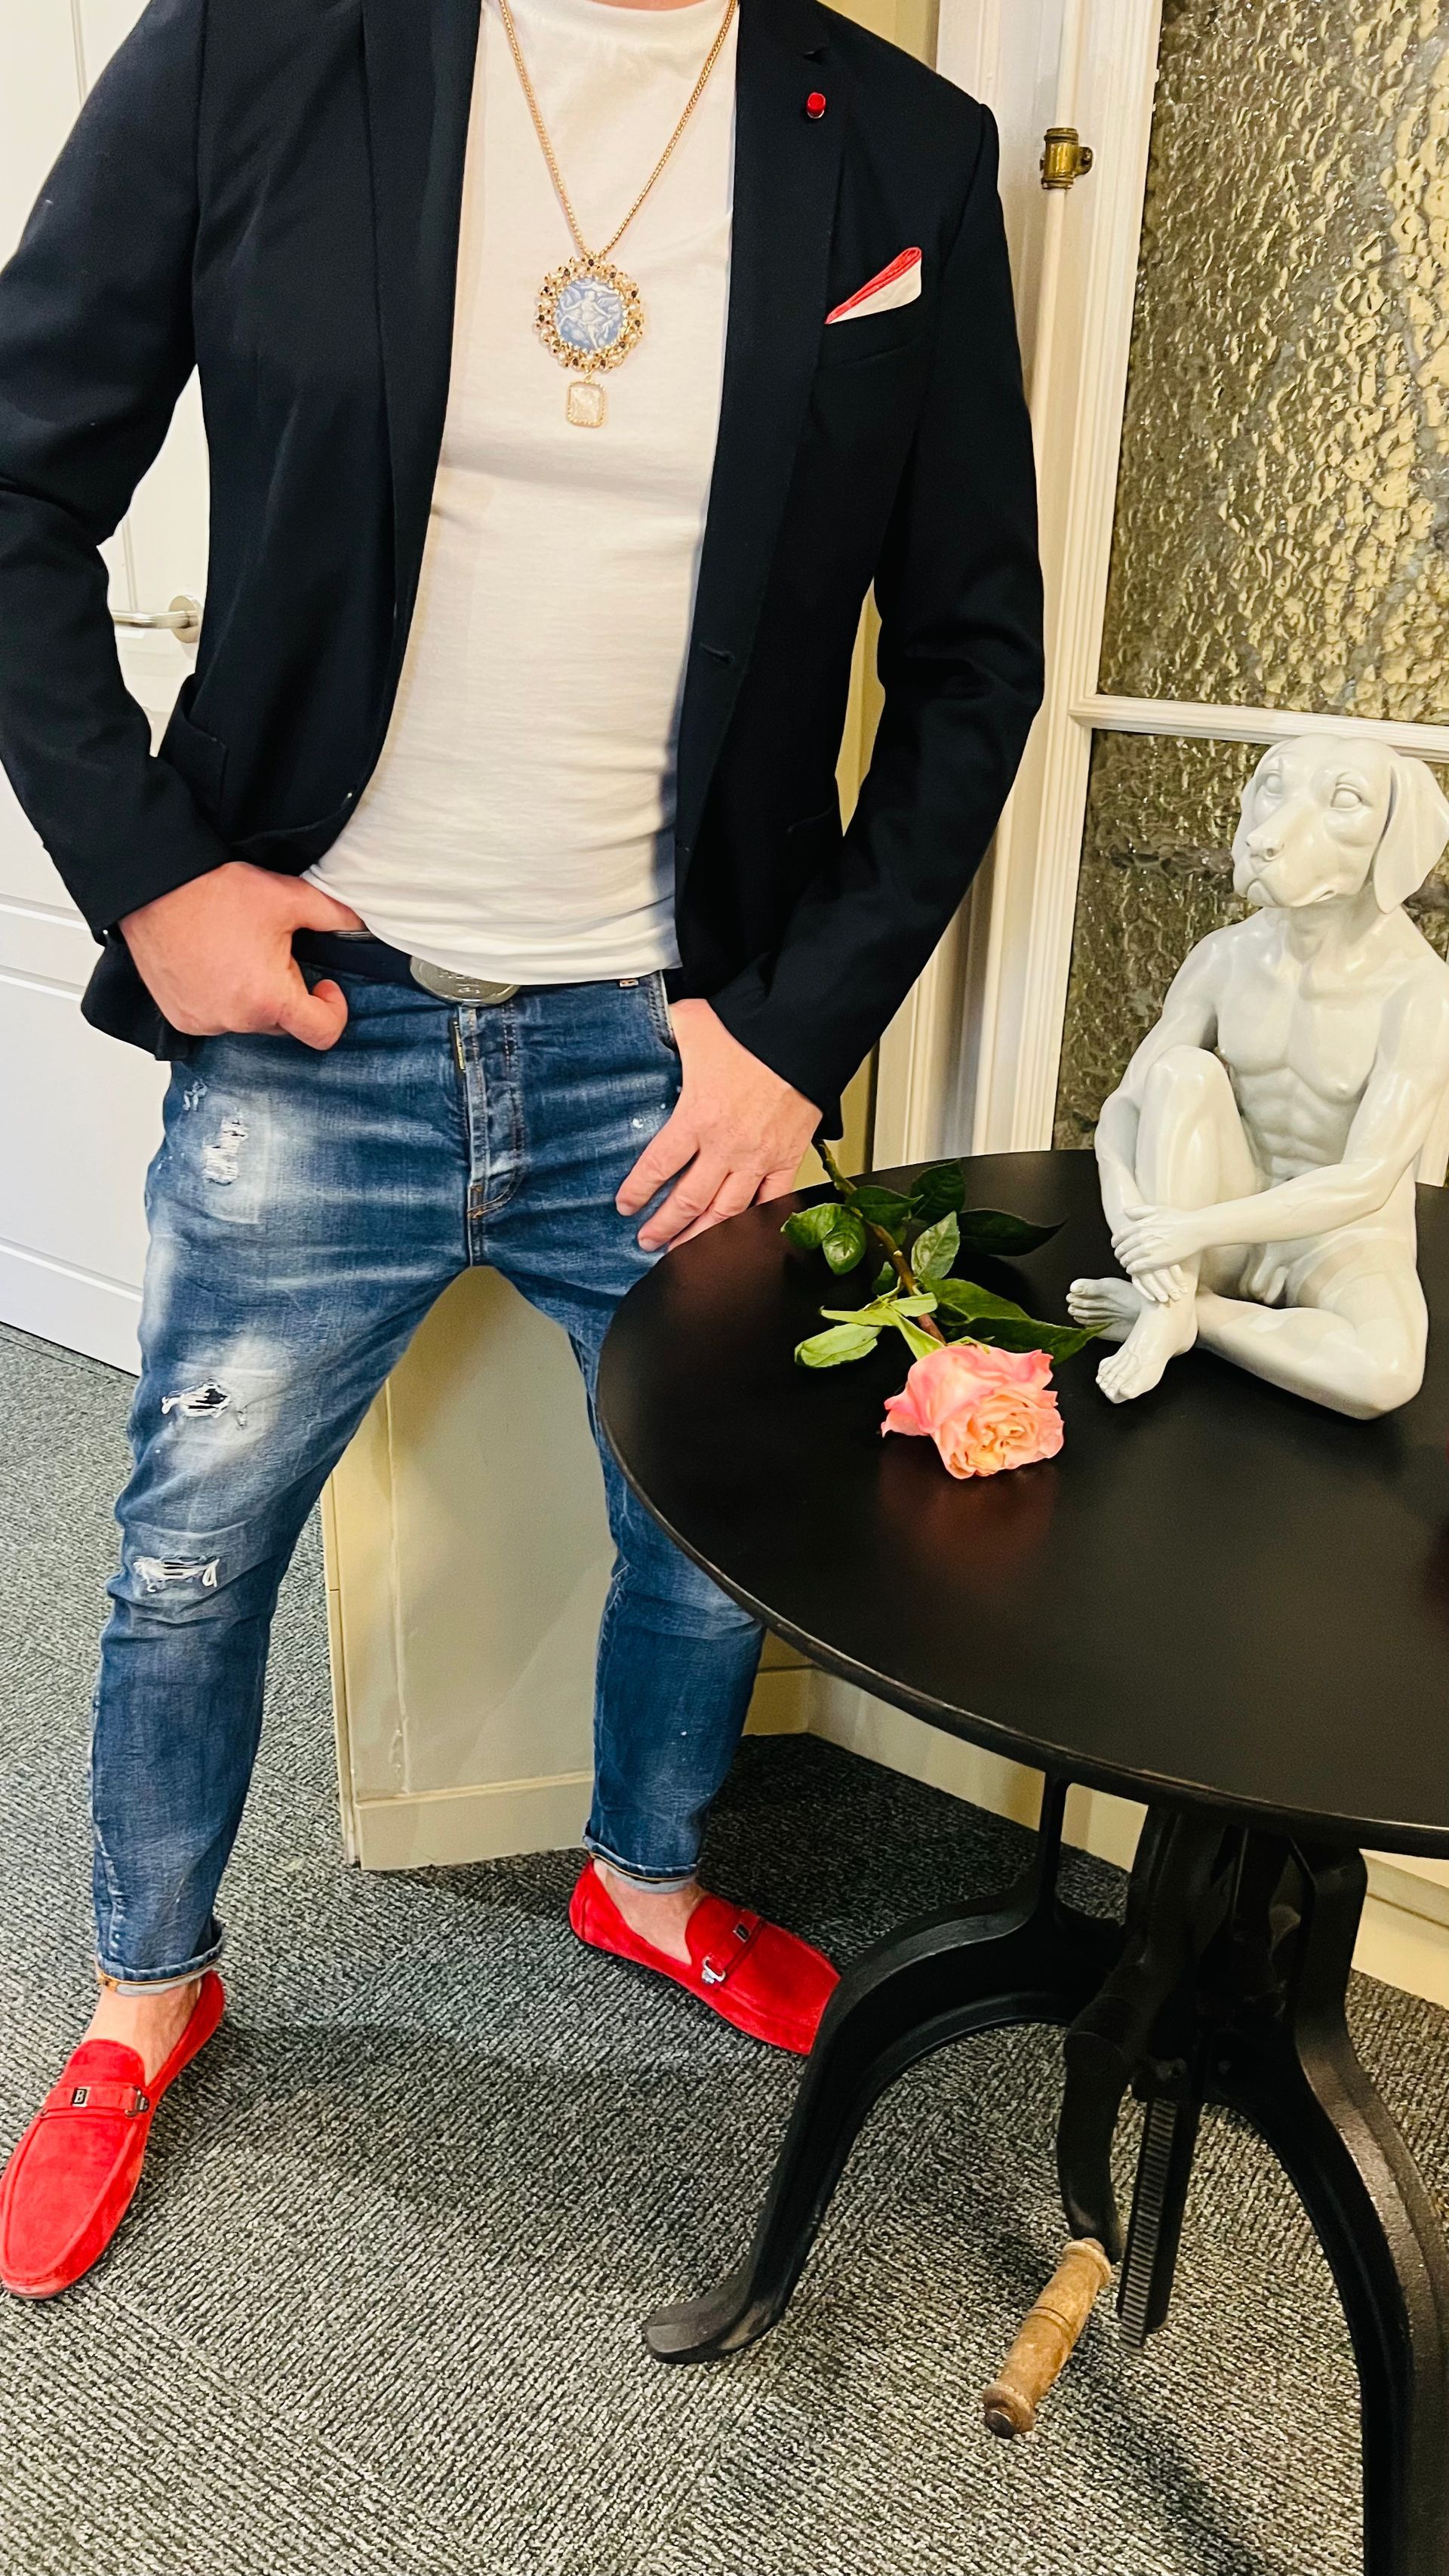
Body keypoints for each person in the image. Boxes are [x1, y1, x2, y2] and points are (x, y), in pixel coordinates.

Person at [0, 0, 1042, 2299]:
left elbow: (977, 660)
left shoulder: (900, 149)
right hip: (319, 1017)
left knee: (715, 1529)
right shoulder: (254, 52)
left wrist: (795, 1040)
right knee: (185, 1549)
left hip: (676, 1052)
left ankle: (645, 1879)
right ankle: (143, 1995)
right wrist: (150, 881)